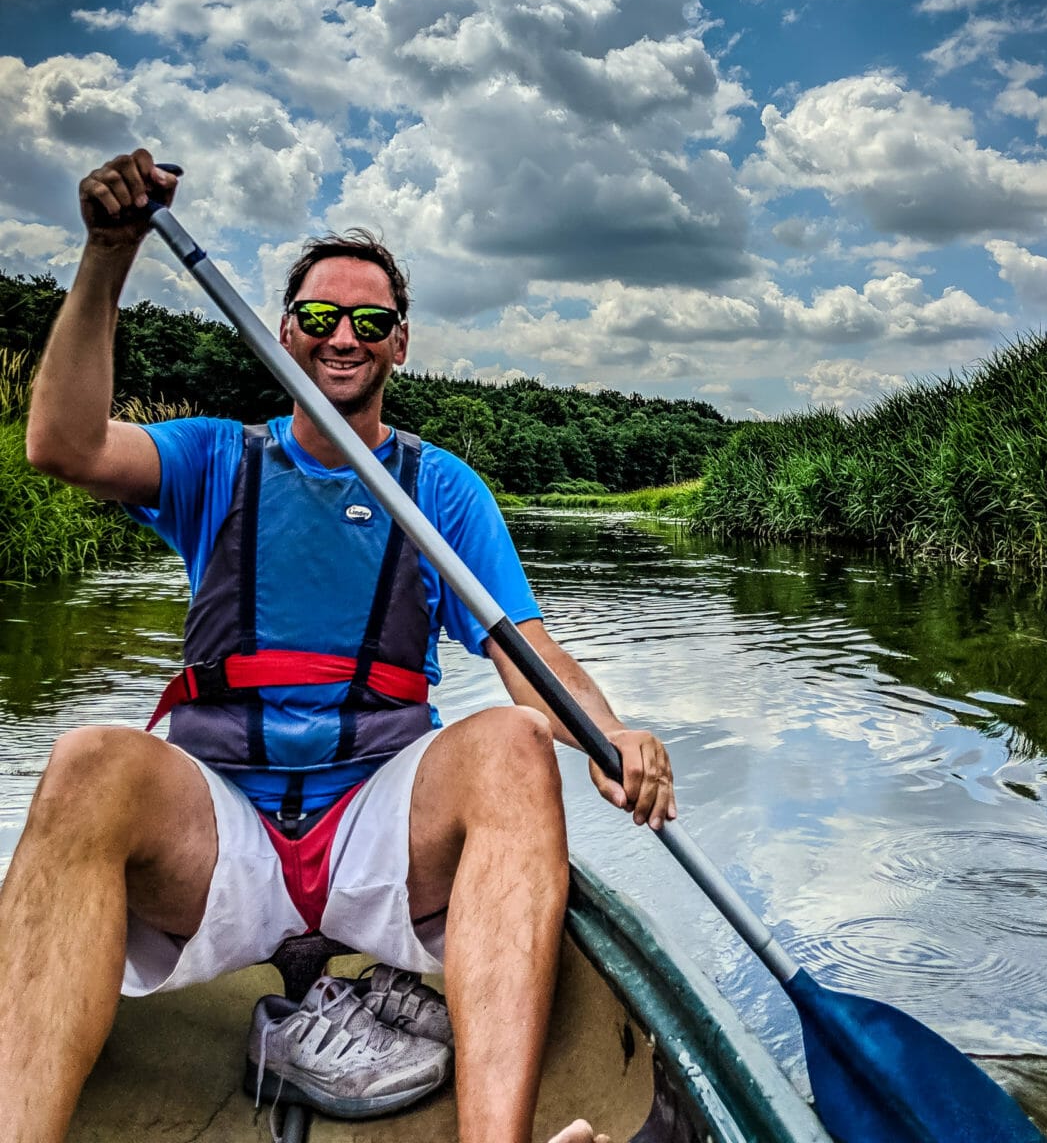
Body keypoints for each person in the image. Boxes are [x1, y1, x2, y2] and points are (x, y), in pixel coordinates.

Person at [0, 148, 676, 1143]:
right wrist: (108, 252)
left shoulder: (440, 493)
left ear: (400, 344)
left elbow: (526, 656)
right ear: (284, 334)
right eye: (319, 317)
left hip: (377, 842)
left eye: (369, 320)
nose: (342, 336)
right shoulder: (214, 456)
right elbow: (61, 443)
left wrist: (615, 735)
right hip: (220, 839)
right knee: (87, 760)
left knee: (516, 748)